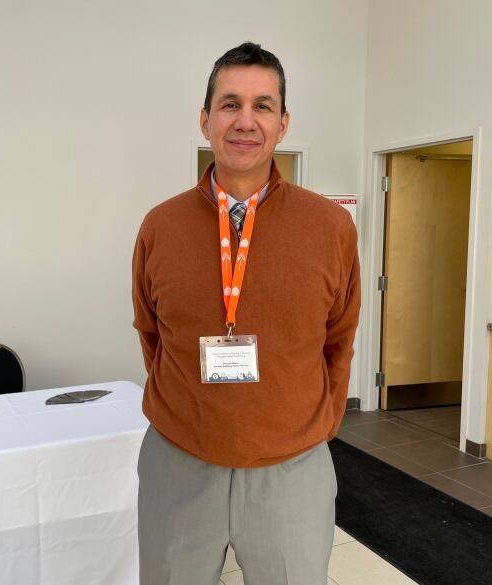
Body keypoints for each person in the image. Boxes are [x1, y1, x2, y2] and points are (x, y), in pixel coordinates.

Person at [132, 42, 361, 585]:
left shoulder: (330, 227)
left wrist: (318, 424)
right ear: (205, 118)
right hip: (180, 460)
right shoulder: (160, 227)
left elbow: (340, 338)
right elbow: (151, 333)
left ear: (283, 124)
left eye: (263, 105)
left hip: (291, 466)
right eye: (230, 103)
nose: (245, 120)